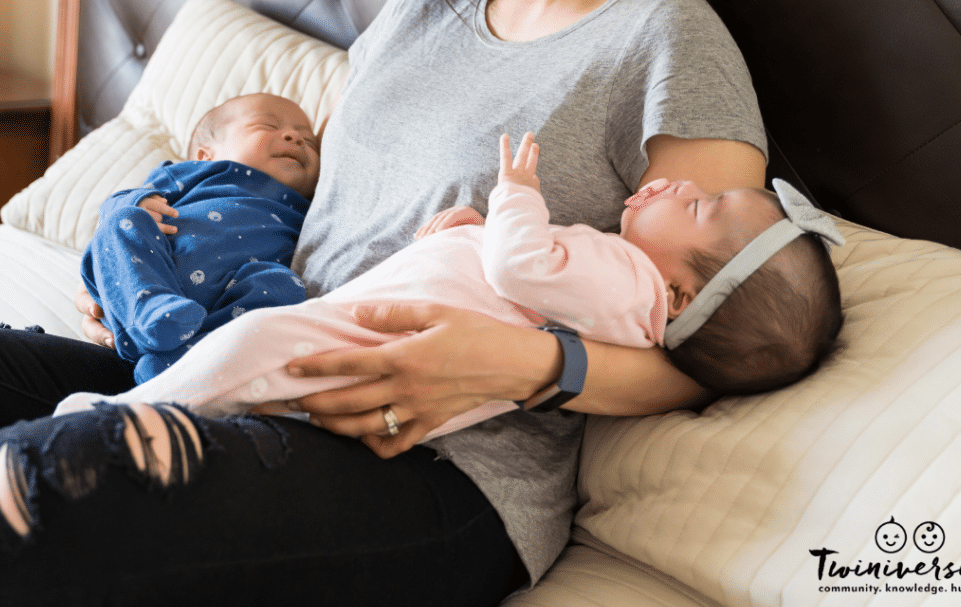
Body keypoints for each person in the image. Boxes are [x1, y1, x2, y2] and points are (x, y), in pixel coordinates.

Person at [0, 0, 769, 607]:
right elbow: (326, 215)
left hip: (431, 465)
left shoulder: (665, 36)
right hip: (257, 363)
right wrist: (154, 261)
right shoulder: (415, 9)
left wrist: (522, 365)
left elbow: (726, 334)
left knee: (33, 487)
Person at [55, 134, 842, 423]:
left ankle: (132, 414)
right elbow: (525, 276)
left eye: (697, 206)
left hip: (384, 359)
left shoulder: (632, 284)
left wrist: (515, 198)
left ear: (679, 297)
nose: (672, 187)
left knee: (257, 348)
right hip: (333, 308)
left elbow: (519, 267)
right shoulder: (626, 278)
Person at [80, 93, 319, 383]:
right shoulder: (194, 174)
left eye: (311, 141)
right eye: (267, 126)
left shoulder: (310, 209)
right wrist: (138, 203)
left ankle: (180, 361)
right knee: (122, 220)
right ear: (206, 156)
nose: (295, 137)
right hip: (150, 273)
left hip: (226, 299)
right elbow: (115, 207)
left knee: (283, 285)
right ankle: (149, 311)